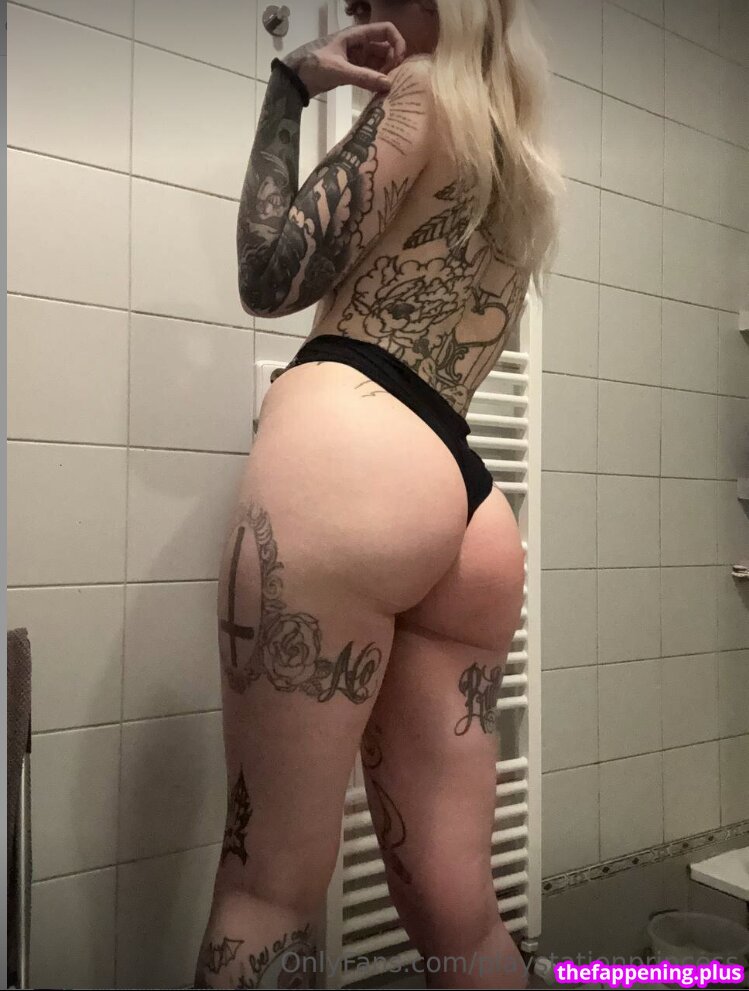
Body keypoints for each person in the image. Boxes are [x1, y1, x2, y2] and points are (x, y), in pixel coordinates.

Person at [193, 2, 562, 988]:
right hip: (467, 506)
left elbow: (269, 275)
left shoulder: (420, 93)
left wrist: (289, 89)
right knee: (458, 910)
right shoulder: (513, 149)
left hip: (349, 456)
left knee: (267, 887)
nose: (353, 7)